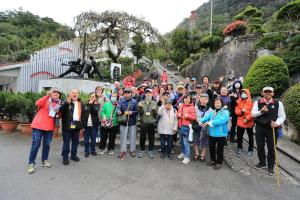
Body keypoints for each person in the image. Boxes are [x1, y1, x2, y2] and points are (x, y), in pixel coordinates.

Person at [252, 86, 286, 176]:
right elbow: (253, 114)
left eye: (269, 92)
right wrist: (261, 111)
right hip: (260, 127)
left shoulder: (278, 103)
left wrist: (277, 123)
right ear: (262, 93)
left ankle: (270, 166)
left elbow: (282, 116)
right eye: (265, 92)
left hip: (272, 128)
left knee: (271, 148)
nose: (267, 93)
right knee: (260, 146)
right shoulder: (257, 102)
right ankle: (262, 162)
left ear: (273, 93)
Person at [27, 88, 61, 174]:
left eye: (58, 93)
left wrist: (59, 112)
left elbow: (59, 115)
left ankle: (44, 160)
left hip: (49, 127)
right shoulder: (46, 100)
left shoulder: (58, 104)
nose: (56, 94)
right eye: (54, 92)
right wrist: (47, 95)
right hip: (38, 126)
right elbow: (37, 103)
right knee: (35, 145)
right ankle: (31, 163)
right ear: (50, 93)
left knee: (47, 145)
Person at [200, 98, 230, 170]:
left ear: (221, 104)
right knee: (211, 148)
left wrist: (210, 122)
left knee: (220, 149)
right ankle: (213, 160)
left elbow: (221, 120)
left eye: (218, 103)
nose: (217, 104)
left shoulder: (225, 112)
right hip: (212, 133)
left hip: (221, 134)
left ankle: (219, 163)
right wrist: (200, 121)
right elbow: (206, 117)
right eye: (216, 103)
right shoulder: (212, 112)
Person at [59, 89, 83, 165]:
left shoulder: (80, 103)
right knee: (66, 142)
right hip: (67, 126)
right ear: (70, 94)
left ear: (78, 95)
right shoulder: (66, 102)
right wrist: (66, 103)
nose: (74, 94)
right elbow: (60, 110)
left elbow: (84, 115)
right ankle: (65, 157)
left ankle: (73, 155)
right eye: (73, 93)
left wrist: (82, 126)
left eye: (76, 93)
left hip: (77, 125)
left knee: (75, 142)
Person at [117, 88, 138, 159]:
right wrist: (118, 111)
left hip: (132, 121)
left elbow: (137, 111)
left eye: (128, 93)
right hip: (123, 121)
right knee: (123, 137)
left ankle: (132, 150)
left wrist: (132, 112)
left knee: (132, 136)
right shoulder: (121, 100)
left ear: (131, 93)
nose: (127, 94)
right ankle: (122, 150)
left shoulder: (134, 101)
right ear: (124, 93)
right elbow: (118, 108)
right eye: (125, 92)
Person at [137, 89, 158, 159]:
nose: (148, 94)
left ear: (152, 94)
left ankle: (150, 151)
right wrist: (140, 108)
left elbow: (156, 115)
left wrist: (155, 111)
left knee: (151, 138)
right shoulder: (141, 103)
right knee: (142, 137)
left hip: (151, 123)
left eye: (150, 93)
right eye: (147, 93)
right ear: (145, 94)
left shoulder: (154, 103)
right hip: (144, 122)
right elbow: (140, 114)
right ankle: (142, 150)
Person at [177, 95, 196, 165]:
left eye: (188, 99)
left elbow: (194, 117)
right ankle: (183, 153)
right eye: (185, 98)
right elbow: (178, 114)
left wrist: (188, 115)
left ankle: (187, 157)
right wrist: (178, 114)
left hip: (186, 126)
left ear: (190, 100)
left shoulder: (192, 107)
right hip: (180, 125)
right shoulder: (181, 106)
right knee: (181, 141)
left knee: (186, 142)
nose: (186, 100)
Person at [193, 93, 213, 162]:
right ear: (200, 99)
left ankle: (202, 154)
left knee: (205, 140)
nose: (204, 100)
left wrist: (206, 123)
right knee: (196, 139)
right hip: (197, 126)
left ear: (208, 100)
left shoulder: (210, 109)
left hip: (205, 127)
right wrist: (198, 120)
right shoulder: (195, 107)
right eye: (203, 99)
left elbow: (211, 118)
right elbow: (194, 115)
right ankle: (196, 153)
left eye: (205, 99)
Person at [235, 89, 254, 156]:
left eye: (245, 93)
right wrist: (242, 112)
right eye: (242, 93)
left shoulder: (251, 102)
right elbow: (236, 111)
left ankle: (250, 149)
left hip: (249, 121)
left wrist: (247, 118)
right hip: (240, 121)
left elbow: (253, 113)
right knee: (239, 136)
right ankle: (239, 147)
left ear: (248, 94)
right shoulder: (238, 102)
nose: (243, 94)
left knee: (250, 136)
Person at [81, 92, 100, 158]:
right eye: (91, 96)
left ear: (95, 98)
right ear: (89, 97)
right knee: (86, 139)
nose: (92, 97)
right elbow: (82, 114)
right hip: (86, 125)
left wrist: (92, 105)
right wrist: (82, 125)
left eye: (93, 96)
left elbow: (96, 111)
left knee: (93, 138)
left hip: (94, 125)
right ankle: (86, 151)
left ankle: (93, 150)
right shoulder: (84, 104)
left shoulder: (97, 104)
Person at [228, 79, 243, 143]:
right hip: (234, 111)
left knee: (240, 125)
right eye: (236, 83)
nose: (237, 84)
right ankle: (231, 138)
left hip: (241, 111)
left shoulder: (242, 92)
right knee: (233, 125)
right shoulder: (232, 92)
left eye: (239, 83)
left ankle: (239, 138)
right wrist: (236, 98)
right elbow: (232, 103)